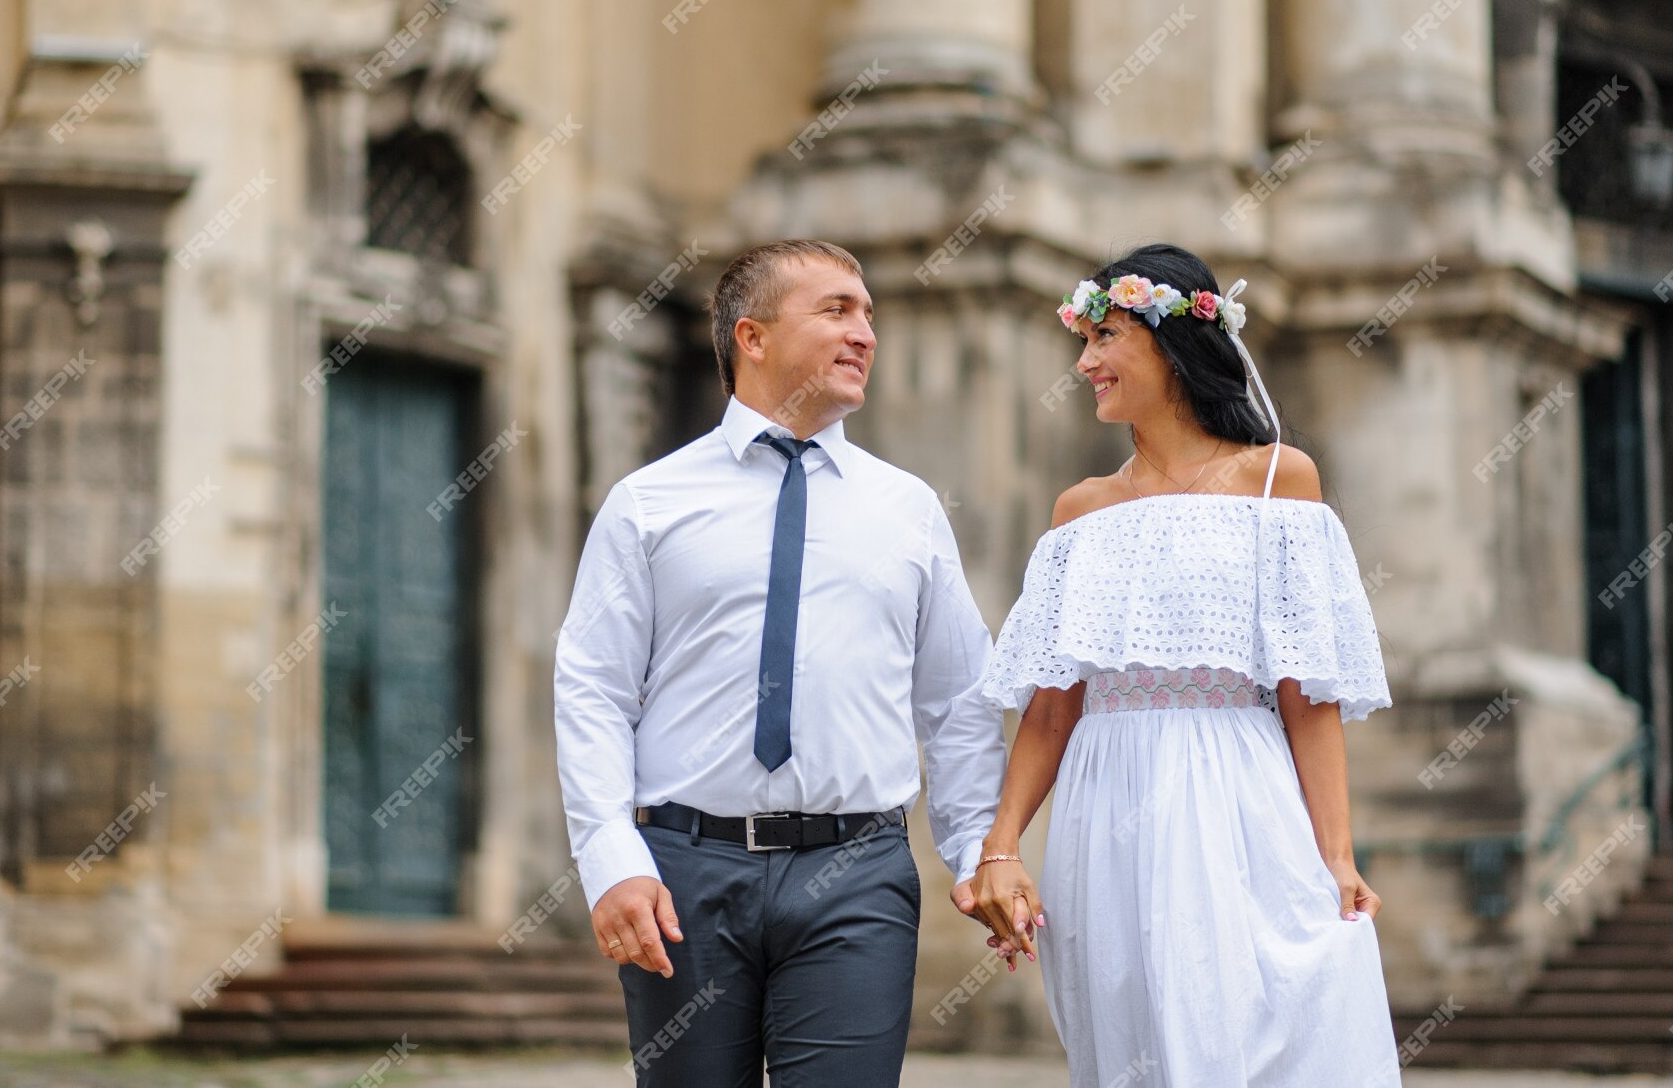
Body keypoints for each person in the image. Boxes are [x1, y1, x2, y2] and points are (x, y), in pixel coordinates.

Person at [553, 239, 1007, 1086]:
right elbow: (592, 688)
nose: (865, 331)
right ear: (752, 337)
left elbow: (956, 697)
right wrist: (610, 854)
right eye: (837, 309)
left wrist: (980, 849)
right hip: (684, 875)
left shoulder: (907, 508)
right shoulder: (647, 504)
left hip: (858, 877)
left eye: (869, 312)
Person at [969, 242, 1404, 1085]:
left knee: (1259, 1027)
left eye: (1106, 338)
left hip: (1238, 795)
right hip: (1105, 808)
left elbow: (1304, 692)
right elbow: (1053, 709)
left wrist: (1338, 855)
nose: (1085, 362)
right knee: (1134, 1043)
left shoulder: (1280, 480)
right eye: (1082, 340)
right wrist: (1001, 844)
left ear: (1174, 345)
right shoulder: (1079, 510)